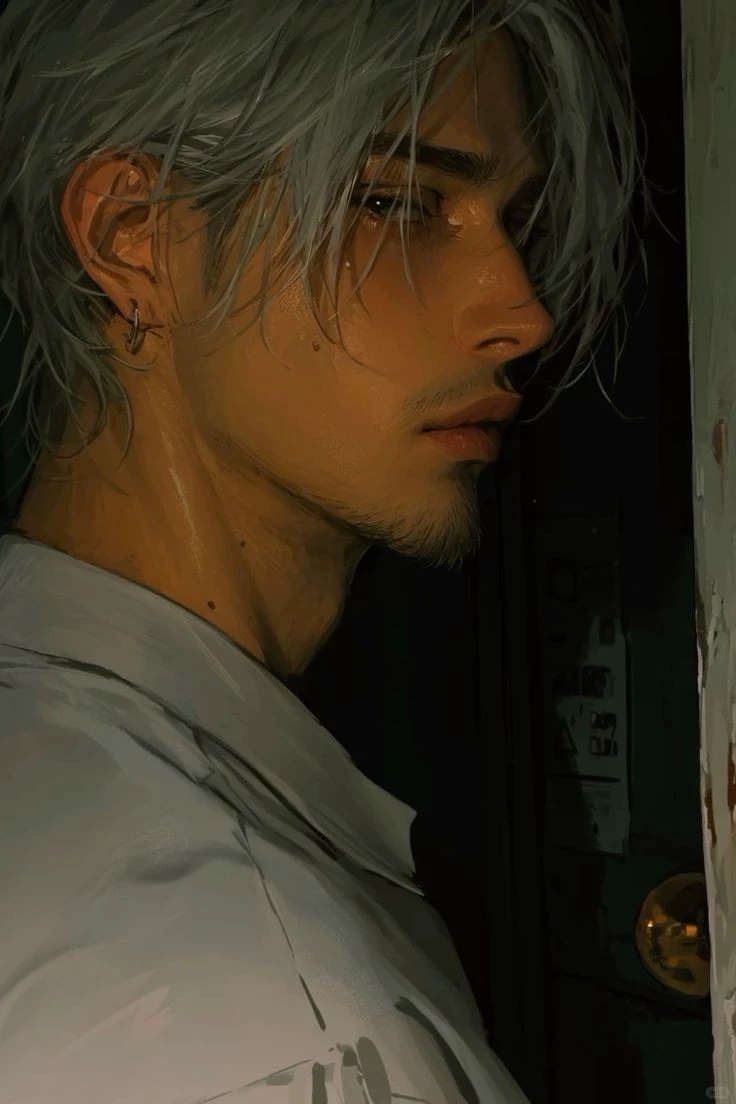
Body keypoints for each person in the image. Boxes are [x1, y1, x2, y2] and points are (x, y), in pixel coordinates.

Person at [0, 0, 645, 1100]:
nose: (522, 312)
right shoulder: (269, 1023)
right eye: (398, 202)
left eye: (514, 219)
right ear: (133, 235)